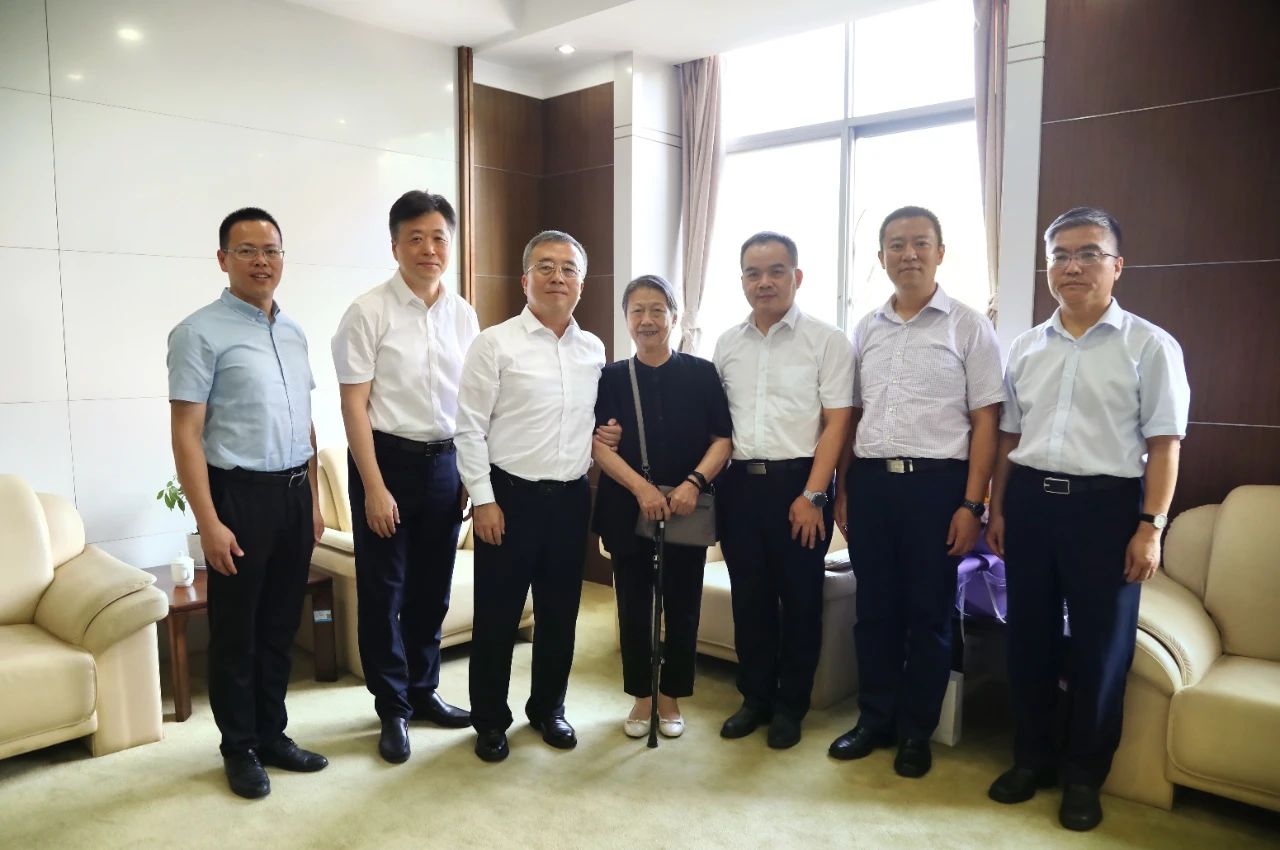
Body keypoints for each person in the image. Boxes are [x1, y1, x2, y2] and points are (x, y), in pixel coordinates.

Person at [986, 206, 1189, 831]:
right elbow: (1009, 436)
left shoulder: (1149, 345)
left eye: (1088, 254)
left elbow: (1165, 445)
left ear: (1117, 265)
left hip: (1107, 509)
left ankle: (1083, 776)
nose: (1072, 266)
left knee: (1102, 650)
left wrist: (1151, 526)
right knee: (1029, 639)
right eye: (1060, 255)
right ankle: (1032, 759)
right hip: (1030, 504)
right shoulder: (1026, 346)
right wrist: (997, 508)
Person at [828, 206, 1004, 778]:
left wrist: (973, 504)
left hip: (938, 487)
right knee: (873, 610)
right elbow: (853, 415)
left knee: (929, 615)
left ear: (940, 252)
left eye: (920, 243)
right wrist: (844, 489)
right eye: (897, 245)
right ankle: (874, 719)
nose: (908, 254)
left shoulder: (969, 326)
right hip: (872, 485)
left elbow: (986, 421)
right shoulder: (865, 329)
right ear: (881, 257)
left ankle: (915, 732)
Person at [167, 208, 328, 799]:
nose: (262, 261)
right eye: (248, 250)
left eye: (272, 250)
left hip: (293, 495)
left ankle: (272, 735)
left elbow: (305, 423)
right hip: (238, 496)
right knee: (237, 631)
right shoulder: (197, 333)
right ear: (223, 259)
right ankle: (238, 748)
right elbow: (186, 434)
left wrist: (314, 502)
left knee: (280, 624)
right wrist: (208, 521)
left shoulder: (294, 332)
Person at [331, 190, 477, 764]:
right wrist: (373, 487)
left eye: (439, 237)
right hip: (386, 461)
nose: (428, 248)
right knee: (383, 591)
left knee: (431, 590)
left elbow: (472, 403)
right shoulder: (367, 312)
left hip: (446, 462)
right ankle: (391, 707)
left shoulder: (463, 314)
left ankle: (423, 691)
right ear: (394, 246)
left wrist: (469, 472)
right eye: (415, 238)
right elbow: (353, 406)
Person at [454, 230, 606, 762]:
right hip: (508, 499)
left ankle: (548, 708)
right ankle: (489, 720)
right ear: (525, 280)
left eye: (568, 268)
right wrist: (483, 499)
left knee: (561, 615)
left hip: (570, 500)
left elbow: (595, 424)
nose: (557, 276)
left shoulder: (593, 350)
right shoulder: (494, 343)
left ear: (581, 284)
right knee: (497, 617)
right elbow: (468, 428)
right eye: (545, 266)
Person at [713, 231, 854, 749]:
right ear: (742, 281)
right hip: (739, 488)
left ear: (797, 276)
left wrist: (814, 495)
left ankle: (791, 706)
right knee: (749, 599)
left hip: (800, 486)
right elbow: (717, 425)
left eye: (776, 271)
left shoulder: (826, 340)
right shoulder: (727, 344)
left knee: (799, 601)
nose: (764, 282)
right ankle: (754, 698)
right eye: (753, 273)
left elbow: (838, 423)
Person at [592, 275, 733, 739]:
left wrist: (694, 483)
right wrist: (642, 489)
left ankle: (671, 696)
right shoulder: (611, 377)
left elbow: (723, 440)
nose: (647, 319)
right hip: (626, 507)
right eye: (637, 310)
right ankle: (641, 696)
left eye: (657, 310)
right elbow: (598, 444)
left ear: (674, 316)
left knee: (683, 604)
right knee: (633, 606)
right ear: (626, 319)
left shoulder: (702, 373)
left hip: (687, 508)